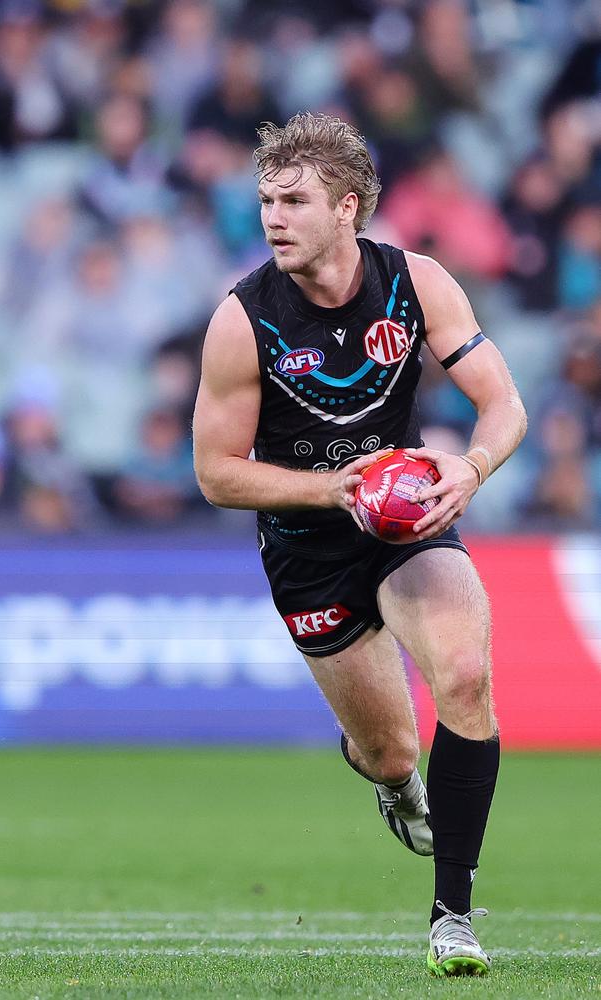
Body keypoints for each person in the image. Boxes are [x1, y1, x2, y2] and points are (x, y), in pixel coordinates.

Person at [193, 112, 527, 977]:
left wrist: (472, 468)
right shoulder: (243, 319)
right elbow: (217, 474)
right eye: (265, 199)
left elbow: (506, 406)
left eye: (293, 200)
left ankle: (453, 917)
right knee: (391, 749)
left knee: (463, 675)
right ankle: (389, 784)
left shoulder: (418, 283)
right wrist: (328, 489)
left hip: (407, 521)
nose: (273, 217)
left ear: (347, 206)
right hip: (308, 543)